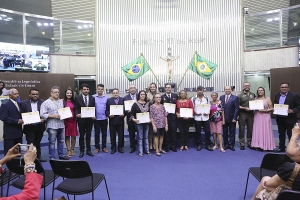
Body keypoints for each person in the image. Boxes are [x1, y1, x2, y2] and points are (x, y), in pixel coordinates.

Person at [251, 123, 300, 200]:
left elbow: (269, 186)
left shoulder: (292, 169)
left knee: (265, 180)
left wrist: (294, 135)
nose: (298, 144)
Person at [40, 86, 69, 160]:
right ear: (51, 93)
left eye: (58, 92)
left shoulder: (61, 101)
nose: (57, 93)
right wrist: (53, 116)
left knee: (61, 141)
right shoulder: (46, 103)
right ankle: (52, 157)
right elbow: (42, 114)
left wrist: (66, 114)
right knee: (52, 142)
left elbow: (63, 111)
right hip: (52, 125)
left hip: (61, 125)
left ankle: (61, 155)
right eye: (55, 92)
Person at [20, 88, 46, 162]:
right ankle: (31, 159)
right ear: (29, 94)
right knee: (31, 144)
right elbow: (21, 114)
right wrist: (24, 120)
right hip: (29, 127)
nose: (35, 95)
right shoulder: (23, 103)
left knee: (38, 143)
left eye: (36, 94)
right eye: (33, 94)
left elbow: (45, 113)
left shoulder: (43, 102)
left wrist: (43, 119)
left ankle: (38, 158)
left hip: (40, 126)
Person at [274, 82, 300, 152]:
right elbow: (275, 104)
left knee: (290, 134)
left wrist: (293, 110)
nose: (284, 88)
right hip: (279, 118)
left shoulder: (294, 96)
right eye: (282, 87)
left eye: (285, 87)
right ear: (280, 88)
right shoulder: (277, 95)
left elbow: (299, 106)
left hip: (290, 118)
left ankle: (291, 149)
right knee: (281, 133)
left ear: (288, 88)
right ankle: (281, 147)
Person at [75, 83, 95, 158]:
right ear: (81, 90)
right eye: (84, 89)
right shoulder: (77, 98)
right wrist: (77, 114)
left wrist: (94, 115)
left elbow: (94, 108)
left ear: (89, 90)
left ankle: (88, 150)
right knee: (82, 136)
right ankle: (81, 150)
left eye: (87, 89)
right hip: (81, 120)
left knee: (88, 136)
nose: (86, 90)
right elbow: (76, 108)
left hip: (90, 120)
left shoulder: (92, 98)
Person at [251, 87, 276, 151]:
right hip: (257, 116)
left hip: (265, 116)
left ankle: (265, 146)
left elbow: (272, 108)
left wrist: (265, 110)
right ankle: (257, 145)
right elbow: (253, 107)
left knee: (265, 130)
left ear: (264, 91)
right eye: (259, 90)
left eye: (261, 90)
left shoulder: (267, 99)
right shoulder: (255, 98)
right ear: (257, 92)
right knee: (258, 130)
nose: (260, 91)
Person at [0, 89, 23, 155]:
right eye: (15, 94)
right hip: (10, 133)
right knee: (9, 152)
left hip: (18, 132)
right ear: (10, 95)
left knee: (18, 152)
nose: (17, 95)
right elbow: (3, 117)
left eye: (18, 93)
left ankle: (17, 164)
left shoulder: (19, 104)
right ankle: (9, 165)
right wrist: (16, 121)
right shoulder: (5, 105)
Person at [191, 86, 213, 151]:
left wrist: (208, 112)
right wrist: (195, 113)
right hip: (197, 117)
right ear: (197, 91)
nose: (200, 91)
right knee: (198, 132)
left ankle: (207, 145)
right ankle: (199, 144)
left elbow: (209, 106)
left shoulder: (206, 98)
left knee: (208, 131)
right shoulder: (193, 98)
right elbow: (192, 107)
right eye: (198, 90)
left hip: (205, 117)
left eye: (201, 90)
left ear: (203, 91)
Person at [130, 90, 151, 157]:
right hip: (139, 123)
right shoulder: (135, 104)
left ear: (145, 95)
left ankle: (147, 150)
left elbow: (151, 113)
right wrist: (134, 119)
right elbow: (131, 113)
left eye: (144, 94)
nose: (142, 95)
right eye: (141, 94)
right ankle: (140, 151)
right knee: (140, 137)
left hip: (147, 122)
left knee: (146, 136)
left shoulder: (148, 103)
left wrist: (150, 119)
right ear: (139, 95)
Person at [106, 88, 125, 154]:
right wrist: (108, 115)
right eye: (114, 93)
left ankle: (120, 147)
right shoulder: (109, 100)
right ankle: (113, 147)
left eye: (116, 93)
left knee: (121, 135)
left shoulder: (123, 100)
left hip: (120, 120)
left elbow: (125, 109)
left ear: (118, 93)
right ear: (112, 94)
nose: (115, 94)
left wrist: (124, 114)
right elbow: (106, 110)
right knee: (112, 135)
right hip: (112, 120)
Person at [220, 86, 239, 151]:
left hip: (232, 118)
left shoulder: (235, 98)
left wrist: (235, 118)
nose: (227, 90)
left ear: (231, 90)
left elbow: (236, 109)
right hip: (224, 118)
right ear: (224, 90)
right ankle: (225, 144)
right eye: (226, 89)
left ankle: (231, 145)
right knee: (224, 132)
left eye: (229, 89)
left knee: (232, 132)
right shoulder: (221, 97)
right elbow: (221, 108)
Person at [238, 82, 256, 150]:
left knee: (250, 129)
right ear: (243, 87)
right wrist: (245, 108)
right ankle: (242, 143)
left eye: (248, 85)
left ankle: (249, 142)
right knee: (241, 129)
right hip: (242, 113)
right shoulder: (240, 95)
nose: (247, 87)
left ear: (250, 86)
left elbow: (256, 103)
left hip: (251, 114)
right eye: (245, 86)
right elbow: (238, 106)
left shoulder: (253, 94)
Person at [160, 83, 178, 152]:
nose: (167, 88)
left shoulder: (175, 96)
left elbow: (177, 105)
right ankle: (167, 146)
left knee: (173, 131)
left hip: (173, 116)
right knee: (166, 132)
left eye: (169, 87)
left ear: (171, 88)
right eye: (166, 87)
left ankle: (173, 146)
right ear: (165, 89)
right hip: (165, 117)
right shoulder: (162, 97)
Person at [93, 84, 109, 154]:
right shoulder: (93, 97)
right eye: (99, 89)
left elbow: (108, 107)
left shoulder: (106, 97)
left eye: (101, 89)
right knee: (96, 134)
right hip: (96, 118)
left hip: (104, 118)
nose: (100, 90)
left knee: (104, 133)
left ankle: (104, 147)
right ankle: (97, 147)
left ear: (103, 90)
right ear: (96, 89)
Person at [63, 88, 78, 157]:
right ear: (65, 94)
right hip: (66, 121)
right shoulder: (62, 101)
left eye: (70, 93)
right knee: (67, 136)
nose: (69, 94)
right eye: (68, 93)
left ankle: (72, 149)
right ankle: (68, 150)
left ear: (72, 94)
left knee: (74, 136)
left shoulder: (74, 101)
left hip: (73, 121)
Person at [124, 84, 138, 153]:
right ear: (129, 90)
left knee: (140, 133)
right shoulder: (125, 98)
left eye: (134, 88)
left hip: (139, 118)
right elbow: (123, 109)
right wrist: (127, 111)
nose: (132, 89)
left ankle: (140, 145)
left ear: (136, 89)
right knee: (131, 134)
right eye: (131, 88)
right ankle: (132, 147)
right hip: (130, 119)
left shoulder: (139, 96)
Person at [147, 83, 157, 151]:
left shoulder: (158, 95)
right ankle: (150, 144)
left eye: (154, 87)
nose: (152, 88)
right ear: (149, 88)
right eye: (151, 87)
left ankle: (154, 143)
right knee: (150, 131)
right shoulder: (147, 96)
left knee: (155, 130)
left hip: (157, 115)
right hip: (149, 115)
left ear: (156, 88)